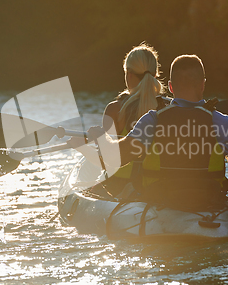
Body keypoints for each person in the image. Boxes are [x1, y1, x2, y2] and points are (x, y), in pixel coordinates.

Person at [84, 54, 228, 211]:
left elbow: (117, 158)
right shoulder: (223, 122)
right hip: (210, 203)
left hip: (162, 204)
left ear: (170, 87)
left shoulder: (152, 120)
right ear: (202, 84)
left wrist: (103, 140)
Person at [71, 43, 168, 197]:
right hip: (157, 187)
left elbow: (107, 161)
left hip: (119, 187)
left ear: (128, 74)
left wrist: (80, 147)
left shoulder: (116, 110)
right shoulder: (169, 108)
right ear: (155, 75)